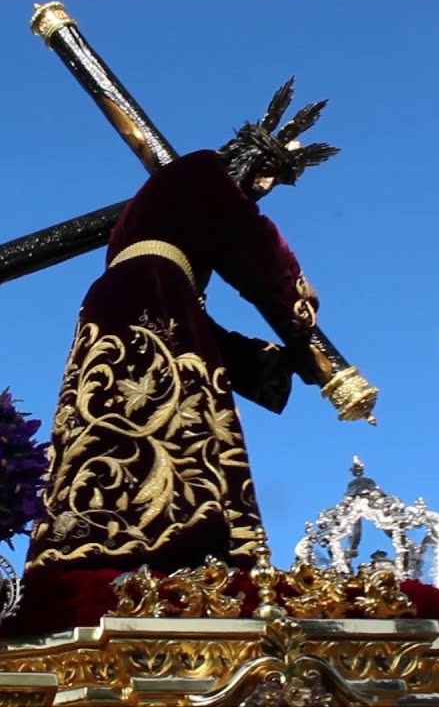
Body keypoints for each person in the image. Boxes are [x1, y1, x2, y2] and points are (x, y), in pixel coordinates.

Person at [24, 149, 324, 576]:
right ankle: (175, 542)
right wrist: (301, 317)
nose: (264, 188)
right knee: (160, 417)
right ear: (249, 158)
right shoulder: (205, 171)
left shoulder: (167, 244)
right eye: (266, 175)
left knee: (119, 412)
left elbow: (199, 334)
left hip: (124, 306)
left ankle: (110, 539)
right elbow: (256, 250)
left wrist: (275, 366)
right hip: (148, 299)